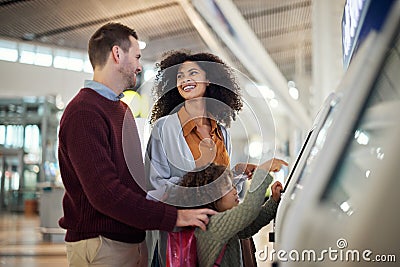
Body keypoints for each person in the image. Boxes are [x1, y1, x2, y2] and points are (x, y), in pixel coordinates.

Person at [57, 22, 216, 267]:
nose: (140, 66)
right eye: (137, 56)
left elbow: (134, 184)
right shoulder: (84, 112)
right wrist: (174, 216)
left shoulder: (122, 110)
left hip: (131, 241)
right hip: (102, 245)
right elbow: (106, 194)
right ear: (117, 54)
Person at [144, 50, 279, 266]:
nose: (185, 79)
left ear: (208, 80)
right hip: (184, 234)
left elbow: (217, 184)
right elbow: (153, 188)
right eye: (179, 76)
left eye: (193, 73)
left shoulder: (221, 131)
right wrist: (194, 195)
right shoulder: (165, 128)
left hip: (221, 229)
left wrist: (236, 174)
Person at [179, 160, 284, 267]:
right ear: (211, 196)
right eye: (228, 187)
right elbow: (248, 209)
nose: (235, 191)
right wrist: (263, 170)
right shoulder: (211, 225)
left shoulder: (218, 221)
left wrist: (274, 201)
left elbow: (251, 225)